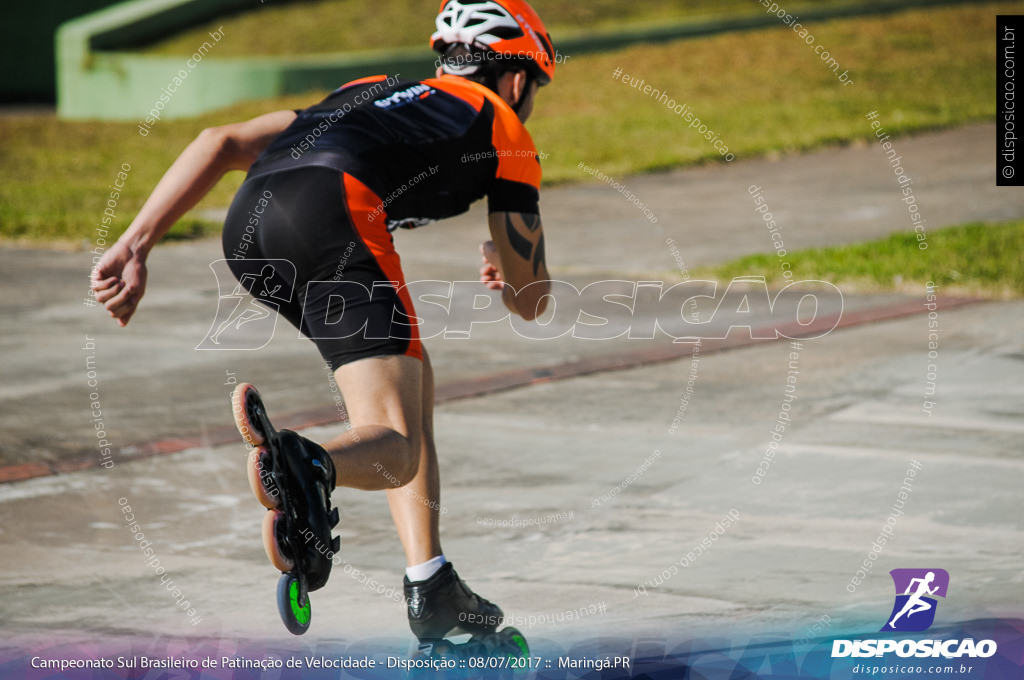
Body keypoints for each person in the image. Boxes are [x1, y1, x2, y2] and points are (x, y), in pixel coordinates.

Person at [91, 0, 555, 641]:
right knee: (396, 439)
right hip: (336, 211)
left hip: (251, 228)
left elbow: (218, 143)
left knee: (408, 380)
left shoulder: (366, 89)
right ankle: (307, 467)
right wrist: (508, 272)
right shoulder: (505, 125)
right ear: (515, 78)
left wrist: (135, 245)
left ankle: (432, 580)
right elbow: (532, 300)